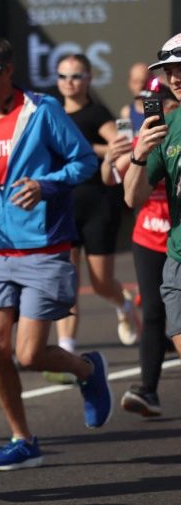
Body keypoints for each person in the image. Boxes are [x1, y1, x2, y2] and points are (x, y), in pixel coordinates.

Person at [0, 37, 110, 471]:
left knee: (29, 355)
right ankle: (23, 439)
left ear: (8, 72)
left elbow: (84, 162)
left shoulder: (41, 111)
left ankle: (86, 370)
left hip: (45, 248)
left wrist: (46, 184)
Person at [54, 53, 136, 364]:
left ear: (88, 79)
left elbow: (121, 145)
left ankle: (124, 304)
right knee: (68, 279)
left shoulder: (96, 113)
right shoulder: (53, 112)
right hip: (64, 206)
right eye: (63, 76)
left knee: (101, 283)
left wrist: (85, 148)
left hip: (99, 204)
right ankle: (66, 347)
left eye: (75, 76)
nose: (69, 82)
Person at [121, 32, 181, 415]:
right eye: (170, 71)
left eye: (180, 69)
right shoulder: (168, 126)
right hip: (177, 258)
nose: (174, 77)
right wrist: (140, 156)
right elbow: (132, 197)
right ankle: (149, 387)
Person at [119, 62, 154, 132]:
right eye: (136, 82)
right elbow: (125, 139)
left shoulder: (166, 108)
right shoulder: (126, 112)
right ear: (130, 83)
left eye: (144, 82)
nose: (140, 86)